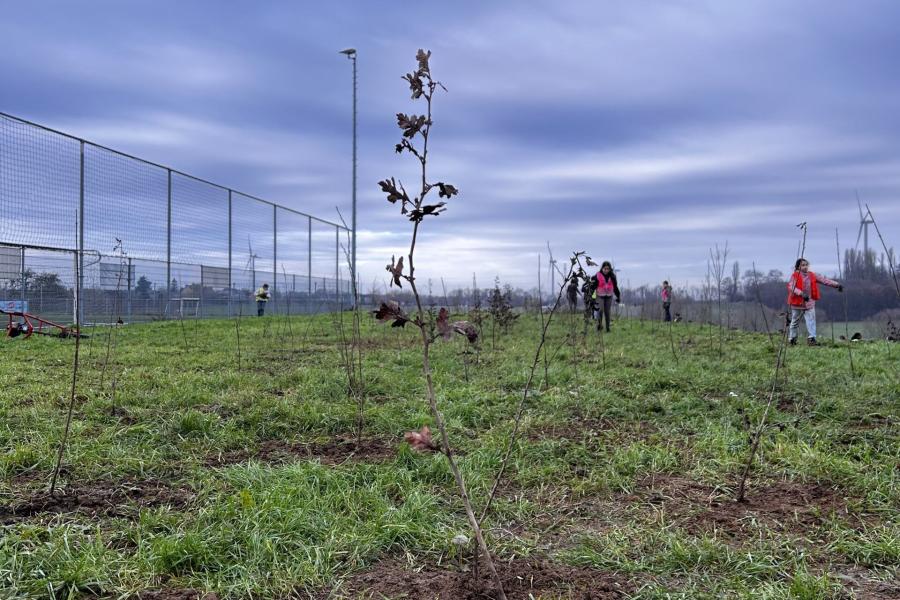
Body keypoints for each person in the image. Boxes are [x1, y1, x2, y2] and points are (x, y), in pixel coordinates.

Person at [787, 258, 843, 346]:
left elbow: (825, 280)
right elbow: (791, 286)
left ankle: (811, 339)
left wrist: (836, 285)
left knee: (811, 321)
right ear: (798, 267)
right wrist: (801, 294)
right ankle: (792, 339)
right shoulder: (795, 276)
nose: (805, 267)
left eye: (806, 265)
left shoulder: (812, 275)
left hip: (809, 303)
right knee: (795, 321)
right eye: (803, 265)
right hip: (797, 303)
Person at [592, 261, 621, 332]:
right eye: (605, 269)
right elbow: (593, 287)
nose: (606, 270)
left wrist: (618, 296)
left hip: (609, 296)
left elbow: (615, 287)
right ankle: (599, 326)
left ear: (610, 269)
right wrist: (592, 297)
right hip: (599, 295)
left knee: (607, 312)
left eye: (608, 269)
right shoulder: (597, 275)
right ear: (602, 268)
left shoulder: (612, 276)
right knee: (600, 310)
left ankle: (608, 328)